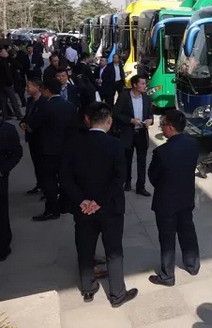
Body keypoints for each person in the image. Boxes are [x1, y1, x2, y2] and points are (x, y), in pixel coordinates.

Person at [60, 102, 138, 306]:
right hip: (110, 207)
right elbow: (119, 177)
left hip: (83, 209)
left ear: (88, 120)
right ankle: (117, 294)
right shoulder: (115, 144)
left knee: (85, 248)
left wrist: (83, 201)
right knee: (113, 251)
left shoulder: (73, 143)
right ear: (109, 122)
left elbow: (65, 177)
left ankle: (88, 288)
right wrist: (99, 201)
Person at [147, 110, 201, 286]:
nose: (161, 129)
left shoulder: (162, 152)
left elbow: (153, 177)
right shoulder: (193, 144)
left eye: (162, 125)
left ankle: (167, 275)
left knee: (167, 238)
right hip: (186, 197)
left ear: (170, 127)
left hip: (166, 201)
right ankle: (192, 265)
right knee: (188, 231)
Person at [29, 77, 79, 221]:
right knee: (64, 179)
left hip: (48, 150)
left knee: (49, 181)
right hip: (66, 150)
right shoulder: (69, 106)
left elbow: (34, 125)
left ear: (47, 90)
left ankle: (52, 209)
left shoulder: (44, 106)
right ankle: (64, 205)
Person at [112, 74, 153, 196]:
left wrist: (150, 120)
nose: (144, 86)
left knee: (142, 161)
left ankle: (141, 186)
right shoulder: (124, 97)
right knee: (127, 159)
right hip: (127, 133)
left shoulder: (146, 98)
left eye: (145, 84)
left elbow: (150, 114)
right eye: (142, 84)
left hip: (141, 132)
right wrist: (130, 120)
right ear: (134, 84)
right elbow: (116, 114)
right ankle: (127, 181)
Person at [0, 120, 23, 261]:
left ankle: (3, 246)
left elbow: (16, 153)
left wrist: (3, 171)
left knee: (1, 212)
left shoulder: (6, 130)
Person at [20, 77, 47, 195]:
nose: (26, 88)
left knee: (43, 165)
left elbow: (43, 120)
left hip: (41, 138)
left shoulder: (44, 102)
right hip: (32, 138)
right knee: (36, 163)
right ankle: (40, 184)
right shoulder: (30, 101)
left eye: (29, 86)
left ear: (37, 87)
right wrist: (23, 123)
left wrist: (31, 126)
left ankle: (47, 188)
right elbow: (27, 115)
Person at [0, 48, 23, 120]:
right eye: (4, 51)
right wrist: (11, 82)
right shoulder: (4, 61)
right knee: (13, 100)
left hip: (1, 85)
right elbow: (7, 73)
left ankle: (5, 115)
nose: (6, 52)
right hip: (7, 84)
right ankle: (18, 115)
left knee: (3, 100)